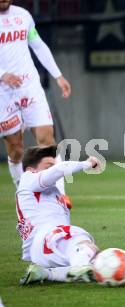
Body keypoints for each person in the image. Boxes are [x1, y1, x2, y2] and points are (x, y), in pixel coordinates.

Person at [0, 0, 71, 188]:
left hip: (29, 86)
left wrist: (58, 76)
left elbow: (38, 45)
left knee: (47, 138)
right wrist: (2, 74)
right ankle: (23, 192)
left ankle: (59, 196)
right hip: (3, 92)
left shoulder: (23, 15)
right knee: (16, 148)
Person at [17, 145, 101, 285]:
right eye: (48, 166)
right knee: (82, 241)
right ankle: (80, 267)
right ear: (31, 170)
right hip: (47, 238)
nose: (52, 168)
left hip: (41, 251)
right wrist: (87, 163)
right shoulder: (28, 178)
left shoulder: (51, 193)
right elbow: (59, 169)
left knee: (95, 261)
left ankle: (45, 273)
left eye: (53, 165)